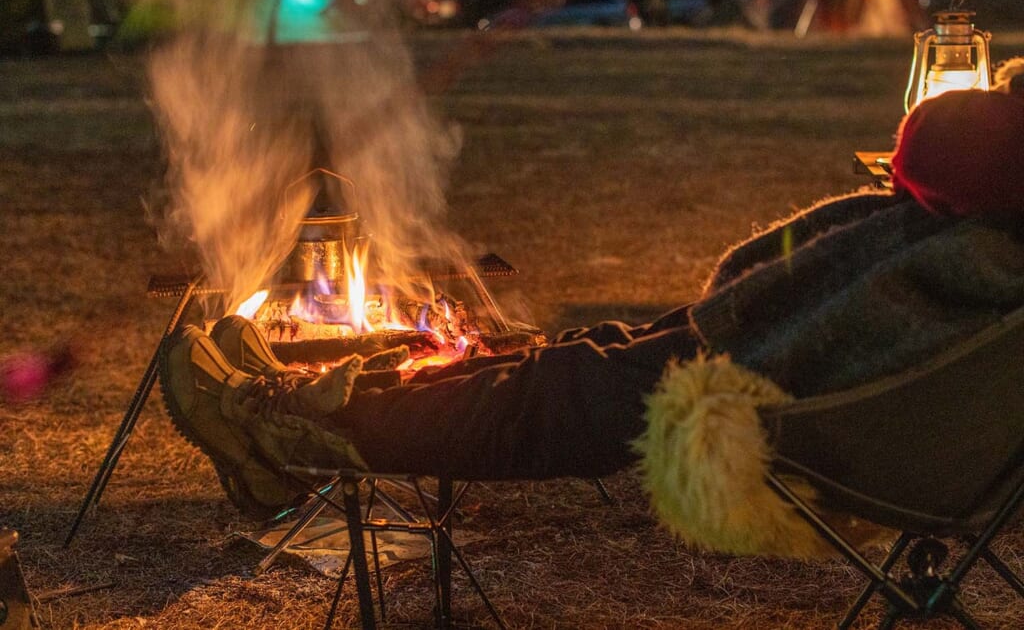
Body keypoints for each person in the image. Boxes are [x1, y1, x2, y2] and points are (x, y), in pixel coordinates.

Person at [160, 87, 1024, 520]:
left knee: (577, 396)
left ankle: (296, 426)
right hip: (910, 374)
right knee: (595, 354)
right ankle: (316, 411)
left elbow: (939, 145)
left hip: (882, 398)